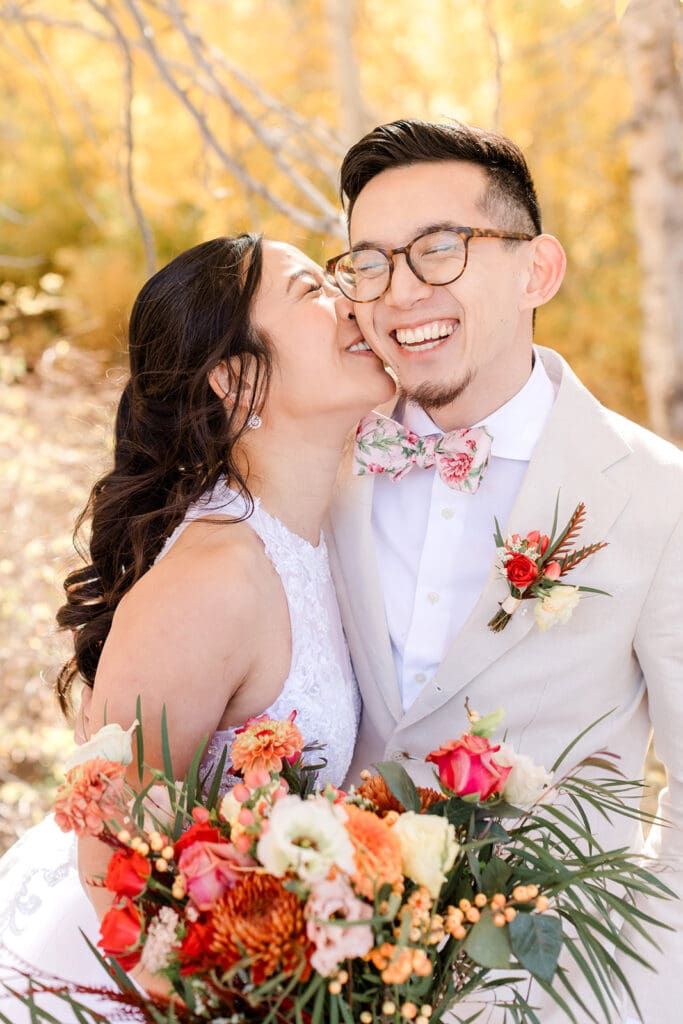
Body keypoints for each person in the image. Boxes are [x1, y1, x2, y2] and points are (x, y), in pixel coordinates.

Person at [325, 119, 683, 1023]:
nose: (401, 292)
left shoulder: (654, 495)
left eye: (438, 251)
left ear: (537, 271)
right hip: (318, 975)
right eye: (369, 263)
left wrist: (627, 988)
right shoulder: (318, 464)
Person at [0, 233, 395, 1021]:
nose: (353, 303)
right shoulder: (213, 581)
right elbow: (108, 858)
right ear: (237, 379)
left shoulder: (333, 523)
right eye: (312, 290)